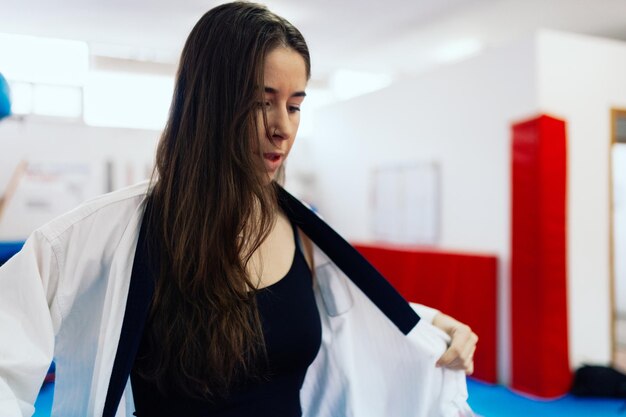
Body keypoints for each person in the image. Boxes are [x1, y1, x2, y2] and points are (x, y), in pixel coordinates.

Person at [0, 2, 478, 417]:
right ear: (207, 104)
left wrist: (426, 324)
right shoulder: (115, 235)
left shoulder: (302, 232)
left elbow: (339, 318)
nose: (282, 129)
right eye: (260, 102)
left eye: (294, 105)